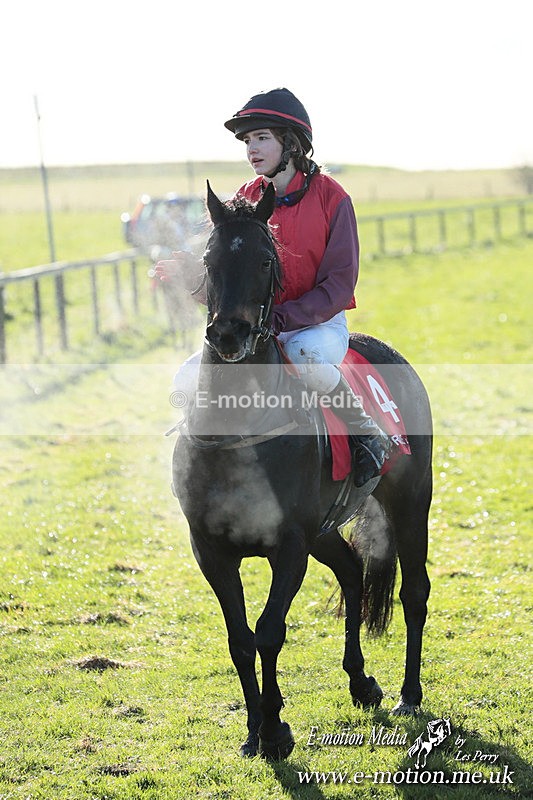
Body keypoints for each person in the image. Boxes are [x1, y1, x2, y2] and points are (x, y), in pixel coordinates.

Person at [155, 88, 391, 484]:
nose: (252, 149)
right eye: (247, 141)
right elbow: (229, 281)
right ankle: (200, 470)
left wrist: (284, 317)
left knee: (305, 355)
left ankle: (366, 432)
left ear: (291, 142)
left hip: (315, 326)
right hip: (258, 326)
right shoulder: (243, 200)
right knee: (185, 377)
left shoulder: (333, 198)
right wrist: (194, 280)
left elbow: (340, 281)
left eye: (261, 137)